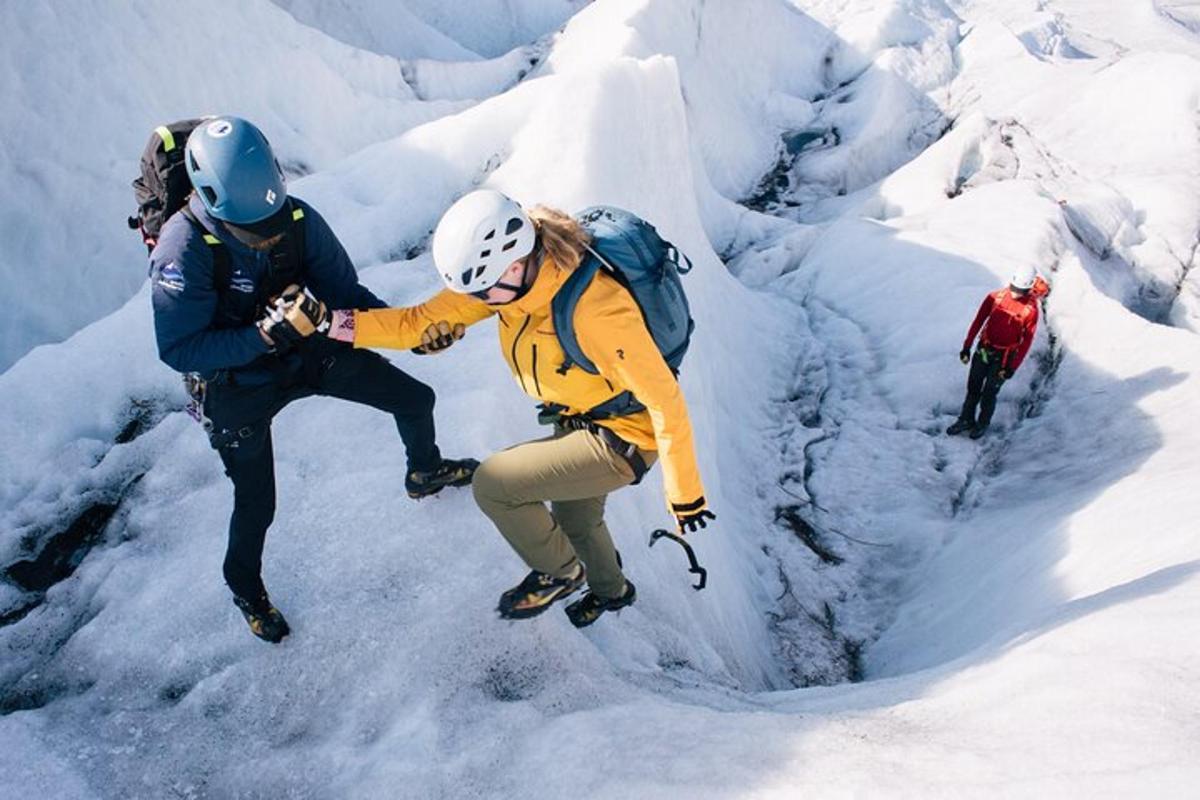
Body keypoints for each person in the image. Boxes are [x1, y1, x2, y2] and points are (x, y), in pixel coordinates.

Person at [149, 116, 477, 643]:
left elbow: (346, 294)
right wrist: (263, 335)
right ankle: (246, 589)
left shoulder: (297, 217)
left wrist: (411, 334)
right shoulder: (182, 247)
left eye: (273, 222)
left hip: (309, 351)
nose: (268, 237)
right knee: (257, 503)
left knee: (415, 399)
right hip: (239, 384)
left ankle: (425, 473)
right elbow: (180, 349)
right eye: (251, 232)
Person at [325, 190, 715, 627]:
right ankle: (613, 593)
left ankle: (561, 574)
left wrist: (686, 496)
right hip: (580, 418)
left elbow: (665, 400)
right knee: (576, 521)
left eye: (484, 290)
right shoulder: (508, 279)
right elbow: (415, 324)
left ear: (513, 264)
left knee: (495, 485)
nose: (480, 301)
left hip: (625, 438)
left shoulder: (597, 311)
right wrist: (331, 325)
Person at [947, 265, 1048, 439]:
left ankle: (982, 423)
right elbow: (978, 321)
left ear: (1029, 288)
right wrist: (967, 346)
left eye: (1021, 291)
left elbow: (1026, 341)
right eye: (1014, 289)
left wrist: (1012, 367)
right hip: (984, 350)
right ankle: (966, 419)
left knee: (989, 393)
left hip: (1004, 359)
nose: (1016, 293)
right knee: (973, 388)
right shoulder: (995, 298)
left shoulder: (1030, 311)